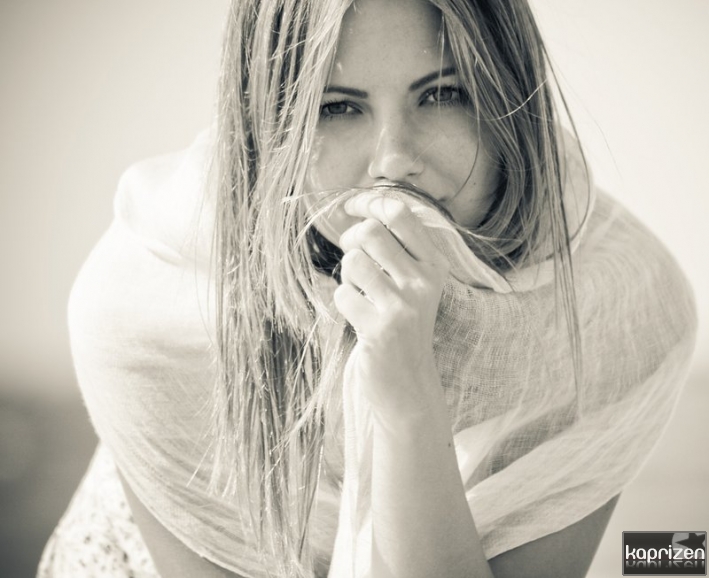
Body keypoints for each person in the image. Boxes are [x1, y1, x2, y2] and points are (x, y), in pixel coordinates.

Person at [38, 0, 697, 577]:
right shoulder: (159, 306)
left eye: (442, 94)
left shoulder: (618, 307)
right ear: (268, 126)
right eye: (337, 107)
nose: (393, 161)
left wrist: (407, 406)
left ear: (509, 98)